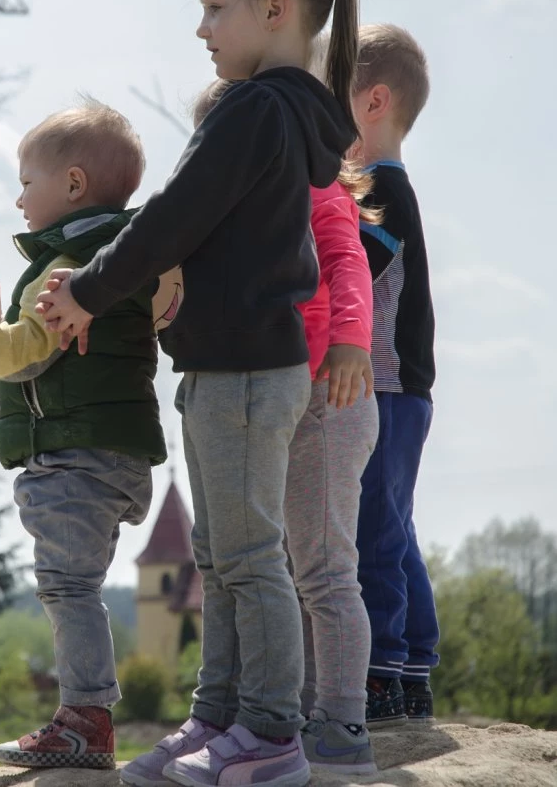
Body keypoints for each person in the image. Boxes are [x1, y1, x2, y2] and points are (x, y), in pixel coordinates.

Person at [39, 0, 361, 787]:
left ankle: (271, 733)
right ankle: (216, 717)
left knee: (249, 560)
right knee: (217, 561)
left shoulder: (255, 110)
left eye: (217, 7)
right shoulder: (286, 113)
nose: (201, 27)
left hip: (247, 374)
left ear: (276, 9)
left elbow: (171, 216)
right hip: (229, 367)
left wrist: (87, 289)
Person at [0, 99, 169, 769]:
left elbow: (20, 357)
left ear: (72, 184)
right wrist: (0, 316)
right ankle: (88, 716)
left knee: (67, 587)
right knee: (79, 585)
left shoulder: (65, 267)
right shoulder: (124, 256)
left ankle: (85, 722)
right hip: (117, 453)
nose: (17, 199)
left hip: (75, 458)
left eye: (25, 182)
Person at [193, 76, 380, 775]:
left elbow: (347, 260)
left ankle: (344, 720)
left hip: (332, 394)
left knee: (325, 568)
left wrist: (351, 340)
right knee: (283, 566)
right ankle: (294, 715)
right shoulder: (237, 210)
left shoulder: (315, 190)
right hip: (277, 397)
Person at [345, 23, 439, 728]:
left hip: (389, 386)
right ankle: (413, 667)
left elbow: (353, 273)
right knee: (394, 528)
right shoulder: (382, 187)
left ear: (373, 101)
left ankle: (383, 670)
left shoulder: (381, 190)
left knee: (376, 528)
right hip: (395, 387)